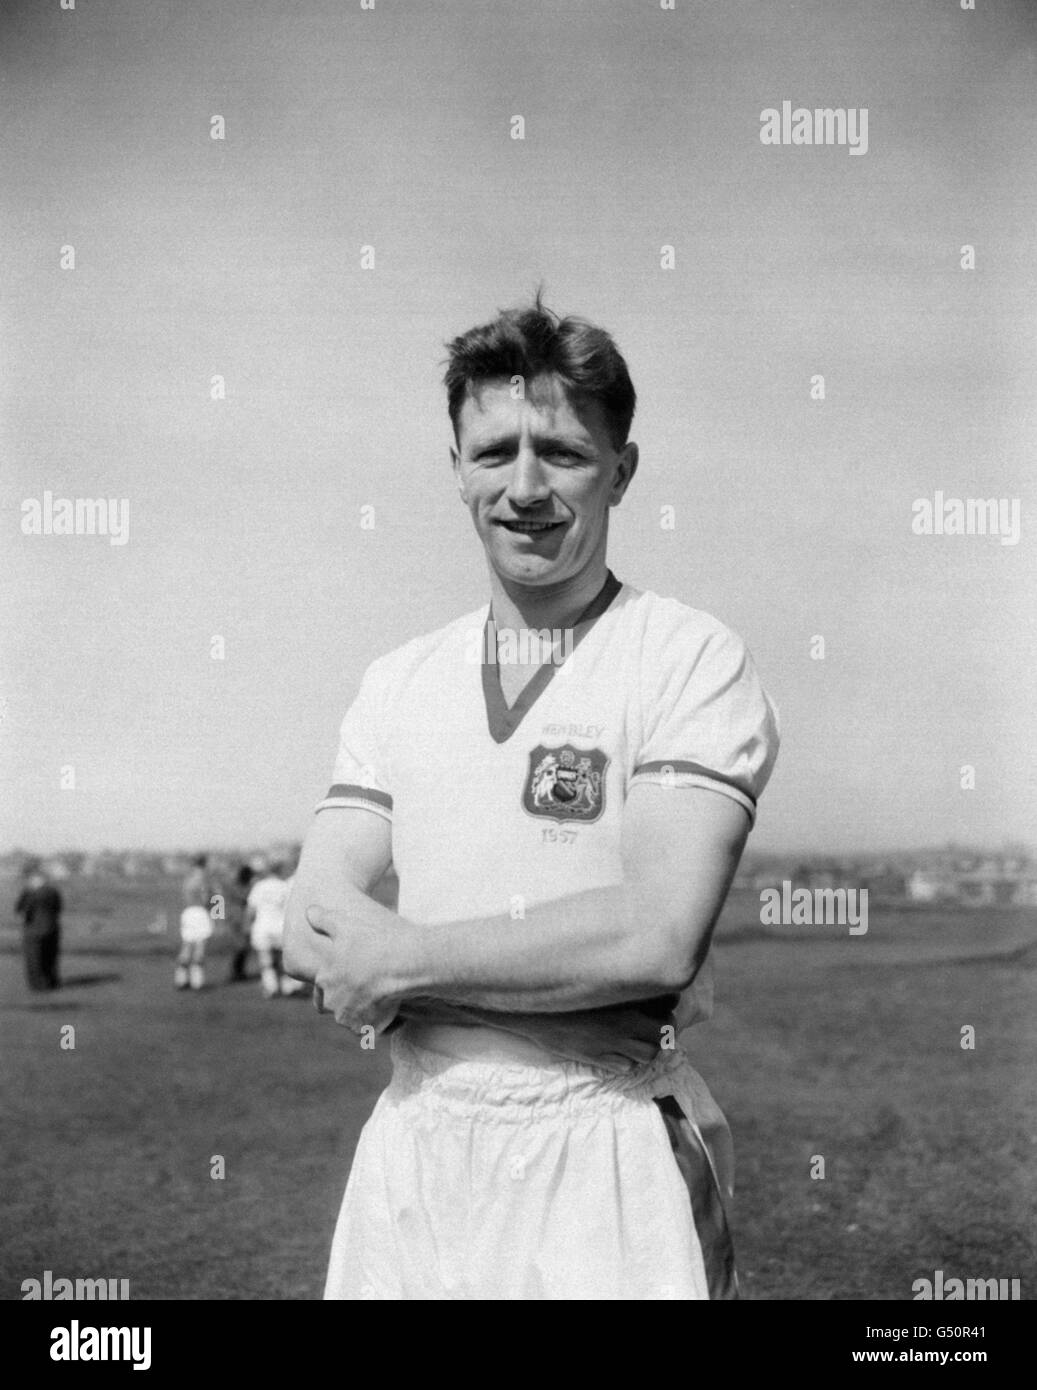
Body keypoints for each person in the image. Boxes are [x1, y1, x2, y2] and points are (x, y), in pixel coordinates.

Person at [284, 296, 780, 1300]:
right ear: (454, 468)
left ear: (621, 470)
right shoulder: (398, 679)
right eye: (491, 452)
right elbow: (311, 921)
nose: (523, 489)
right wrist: (550, 980)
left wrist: (402, 962)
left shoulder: (685, 657)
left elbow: (652, 937)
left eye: (559, 452)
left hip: (601, 1148)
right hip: (413, 1144)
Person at [246, 860, 303, 998]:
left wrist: (248, 924)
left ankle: (271, 987)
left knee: (266, 960)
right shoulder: (285, 886)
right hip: (280, 927)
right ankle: (288, 987)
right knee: (282, 961)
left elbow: (251, 909)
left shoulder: (259, 886)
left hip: (262, 927)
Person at [15, 863, 62, 992]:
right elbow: (58, 908)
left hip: (33, 929)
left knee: (34, 959)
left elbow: (21, 909)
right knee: (50, 957)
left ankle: (37, 985)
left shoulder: (30, 893)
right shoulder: (53, 892)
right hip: (52, 927)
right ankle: (51, 982)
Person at [175, 854, 213, 991]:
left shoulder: (187, 879)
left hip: (187, 912)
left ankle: (181, 979)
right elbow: (209, 898)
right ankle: (197, 981)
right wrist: (217, 915)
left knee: (186, 946)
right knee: (200, 947)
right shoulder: (205, 878)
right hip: (200, 912)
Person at [225, 863, 255, 983]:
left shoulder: (235, 885)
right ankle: (237, 972)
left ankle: (239, 971)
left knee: (243, 947)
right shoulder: (242, 887)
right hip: (239, 919)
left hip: (238, 918)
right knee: (241, 947)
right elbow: (244, 897)